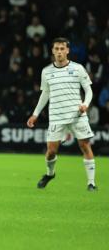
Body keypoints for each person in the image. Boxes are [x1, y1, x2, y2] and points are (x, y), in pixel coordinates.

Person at [27, 37, 97, 191]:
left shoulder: (78, 68)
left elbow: (88, 90)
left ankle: (91, 183)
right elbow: (45, 94)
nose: (59, 52)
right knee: (51, 151)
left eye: (62, 49)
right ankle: (50, 174)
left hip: (77, 115)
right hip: (57, 117)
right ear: (52, 51)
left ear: (67, 50)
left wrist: (85, 104)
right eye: (56, 49)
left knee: (85, 146)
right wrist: (35, 114)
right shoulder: (46, 71)